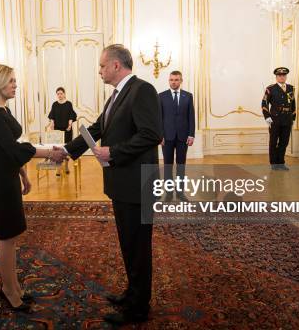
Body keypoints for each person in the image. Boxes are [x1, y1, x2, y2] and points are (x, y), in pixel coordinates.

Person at [51, 44, 162, 325]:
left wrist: (113, 151)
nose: (99, 71)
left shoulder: (142, 90)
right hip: (122, 183)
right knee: (128, 243)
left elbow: (151, 134)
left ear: (115, 65)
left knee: (138, 246)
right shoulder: (117, 95)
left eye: (102, 66)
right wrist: (67, 150)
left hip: (137, 184)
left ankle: (139, 308)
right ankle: (132, 293)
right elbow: (99, 128)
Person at [0, 64, 61, 312]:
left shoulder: (3, 110)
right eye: (11, 81)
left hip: (9, 176)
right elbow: (13, 150)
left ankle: (13, 286)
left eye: (15, 80)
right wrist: (48, 153)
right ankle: (9, 290)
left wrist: (23, 174)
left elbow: (12, 145)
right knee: (7, 237)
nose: (15, 84)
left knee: (12, 236)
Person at [159, 70, 195, 201]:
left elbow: (191, 116)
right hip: (166, 138)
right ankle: (168, 193)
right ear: (169, 81)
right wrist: (160, 135)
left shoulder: (188, 96)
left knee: (181, 165)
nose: (173, 82)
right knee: (168, 166)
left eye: (176, 80)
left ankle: (180, 193)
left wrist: (191, 135)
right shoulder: (161, 96)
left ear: (181, 81)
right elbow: (159, 118)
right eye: (171, 80)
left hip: (182, 137)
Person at [261, 67, 295, 170]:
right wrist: (267, 117)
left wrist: (293, 117)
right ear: (276, 77)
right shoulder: (270, 88)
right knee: (273, 142)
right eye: (280, 75)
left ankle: (281, 163)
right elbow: (264, 103)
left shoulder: (290, 88)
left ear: (286, 76)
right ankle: (274, 164)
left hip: (287, 119)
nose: (282, 77)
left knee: (284, 142)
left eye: (284, 75)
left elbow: (293, 103)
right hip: (275, 119)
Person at [47, 87, 77, 175]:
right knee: (57, 150)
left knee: (66, 149)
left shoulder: (68, 104)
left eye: (61, 93)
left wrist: (70, 124)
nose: (59, 95)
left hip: (67, 130)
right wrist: (52, 123)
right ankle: (58, 168)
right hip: (57, 131)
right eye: (58, 94)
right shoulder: (54, 104)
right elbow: (52, 116)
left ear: (64, 94)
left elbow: (72, 115)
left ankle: (66, 166)